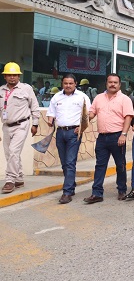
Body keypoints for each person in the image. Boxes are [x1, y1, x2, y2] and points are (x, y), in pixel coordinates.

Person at [84, 73, 134, 204]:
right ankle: (96, 193)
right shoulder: (99, 98)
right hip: (102, 137)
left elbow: (128, 117)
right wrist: (84, 118)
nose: (112, 84)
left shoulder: (125, 99)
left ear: (119, 84)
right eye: (110, 82)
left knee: (120, 165)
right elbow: (92, 113)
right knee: (100, 165)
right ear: (106, 83)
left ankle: (122, 190)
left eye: (115, 82)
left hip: (117, 136)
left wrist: (123, 134)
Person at [45, 74, 91, 204]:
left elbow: (88, 114)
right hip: (60, 132)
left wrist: (81, 128)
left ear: (75, 84)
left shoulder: (82, 97)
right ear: (62, 84)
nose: (68, 85)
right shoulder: (56, 97)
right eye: (66, 83)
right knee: (64, 163)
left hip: (74, 133)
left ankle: (67, 192)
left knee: (70, 161)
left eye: (71, 83)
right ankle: (71, 184)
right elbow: (51, 113)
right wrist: (50, 120)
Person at [0, 63, 40, 194]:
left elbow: (34, 106)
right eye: (9, 75)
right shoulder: (1, 91)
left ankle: (10, 180)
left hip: (21, 125)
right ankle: (19, 178)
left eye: (15, 75)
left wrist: (35, 124)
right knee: (10, 154)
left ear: (19, 76)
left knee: (13, 151)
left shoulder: (26, 89)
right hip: (6, 126)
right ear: (5, 76)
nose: (12, 77)